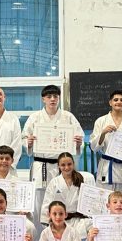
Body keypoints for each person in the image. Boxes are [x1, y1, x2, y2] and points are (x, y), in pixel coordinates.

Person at [22, 84, 84, 227]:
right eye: (49, 96)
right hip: (41, 166)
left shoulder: (68, 117)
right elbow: (24, 139)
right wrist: (28, 142)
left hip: (61, 165)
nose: (52, 99)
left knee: (62, 198)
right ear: (43, 99)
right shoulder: (35, 118)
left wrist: (78, 142)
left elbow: (78, 137)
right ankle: (40, 238)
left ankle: (62, 234)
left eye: (55, 96)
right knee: (40, 201)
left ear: (59, 98)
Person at [89, 89, 122, 193]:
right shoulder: (101, 121)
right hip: (107, 168)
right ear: (110, 102)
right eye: (115, 99)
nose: (119, 102)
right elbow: (94, 147)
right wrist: (103, 133)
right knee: (105, 201)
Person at [39, 151, 95, 238]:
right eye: (63, 165)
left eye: (69, 164)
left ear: (74, 164)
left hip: (80, 221)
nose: (66, 167)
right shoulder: (54, 182)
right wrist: (46, 223)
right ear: (58, 166)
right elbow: (47, 203)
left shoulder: (84, 179)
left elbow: (91, 201)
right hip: (60, 221)